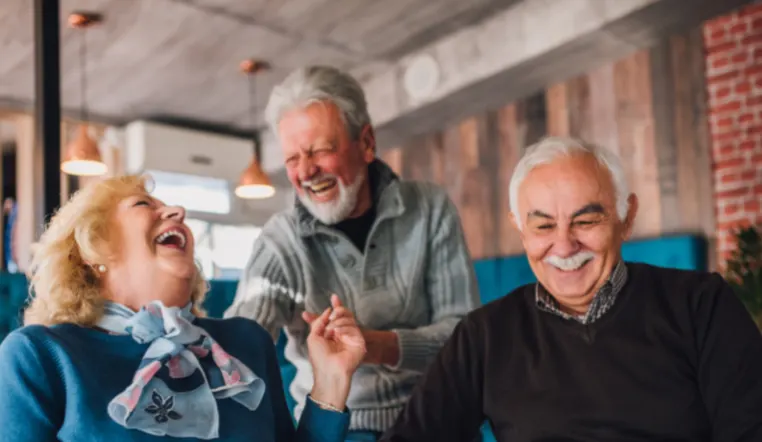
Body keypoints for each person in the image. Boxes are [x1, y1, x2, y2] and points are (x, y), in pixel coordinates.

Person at [380, 136, 762, 441]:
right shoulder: (484, 336)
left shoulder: (700, 304)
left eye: (586, 220)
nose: (563, 246)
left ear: (625, 218)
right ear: (521, 229)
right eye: (543, 226)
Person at [0, 175, 367, 442]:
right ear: (94, 248)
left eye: (172, 207)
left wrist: (331, 382)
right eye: (144, 204)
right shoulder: (39, 355)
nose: (178, 211)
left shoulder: (245, 342)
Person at [225, 65, 480, 440]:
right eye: (292, 159)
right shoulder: (280, 240)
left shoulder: (429, 208)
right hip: (338, 429)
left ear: (366, 142)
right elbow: (242, 340)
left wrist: (374, 345)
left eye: (320, 150)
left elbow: (465, 339)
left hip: (434, 417)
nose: (306, 171)